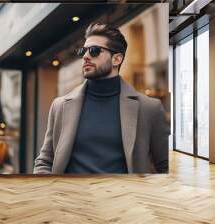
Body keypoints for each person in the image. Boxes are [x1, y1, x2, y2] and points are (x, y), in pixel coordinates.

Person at [33, 23, 169, 174]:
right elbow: (45, 161)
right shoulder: (60, 106)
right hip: (70, 196)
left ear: (116, 59)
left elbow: (164, 167)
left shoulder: (149, 108)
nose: (85, 56)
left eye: (94, 51)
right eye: (83, 51)